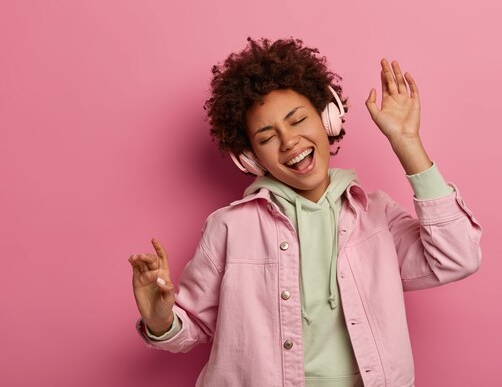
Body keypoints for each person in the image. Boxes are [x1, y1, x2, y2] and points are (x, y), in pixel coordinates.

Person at [128, 37, 483, 387]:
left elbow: (458, 257)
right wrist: (160, 320)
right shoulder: (229, 227)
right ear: (250, 158)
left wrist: (408, 144)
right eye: (267, 138)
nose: (289, 141)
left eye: (298, 120)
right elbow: (192, 325)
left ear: (328, 118)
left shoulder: (377, 216)